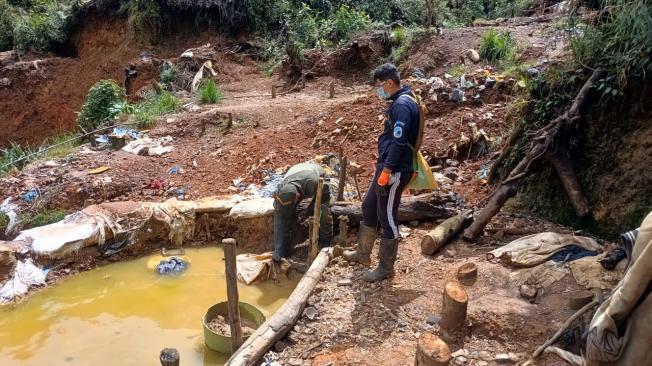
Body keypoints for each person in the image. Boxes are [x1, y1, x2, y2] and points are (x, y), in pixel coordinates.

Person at [343, 63, 421, 282]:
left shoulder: (403, 105)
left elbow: (399, 141)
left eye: (379, 86)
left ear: (388, 82)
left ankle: (386, 268)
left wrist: (387, 170)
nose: (378, 90)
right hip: (386, 166)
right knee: (368, 206)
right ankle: (362, 254)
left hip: (394, 170)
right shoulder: (398, 102)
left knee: (387, 217)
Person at [272, 162, 333, 263]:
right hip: (296, 176)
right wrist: (278, 250)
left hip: (318, 176)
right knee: (287, 214)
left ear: (297, 196)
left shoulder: (312, 182)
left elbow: (321, 198)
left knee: (323, 211)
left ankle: (325, 243)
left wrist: (307, 212)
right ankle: (284, 248)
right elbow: (279, 219)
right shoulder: (281, 191)